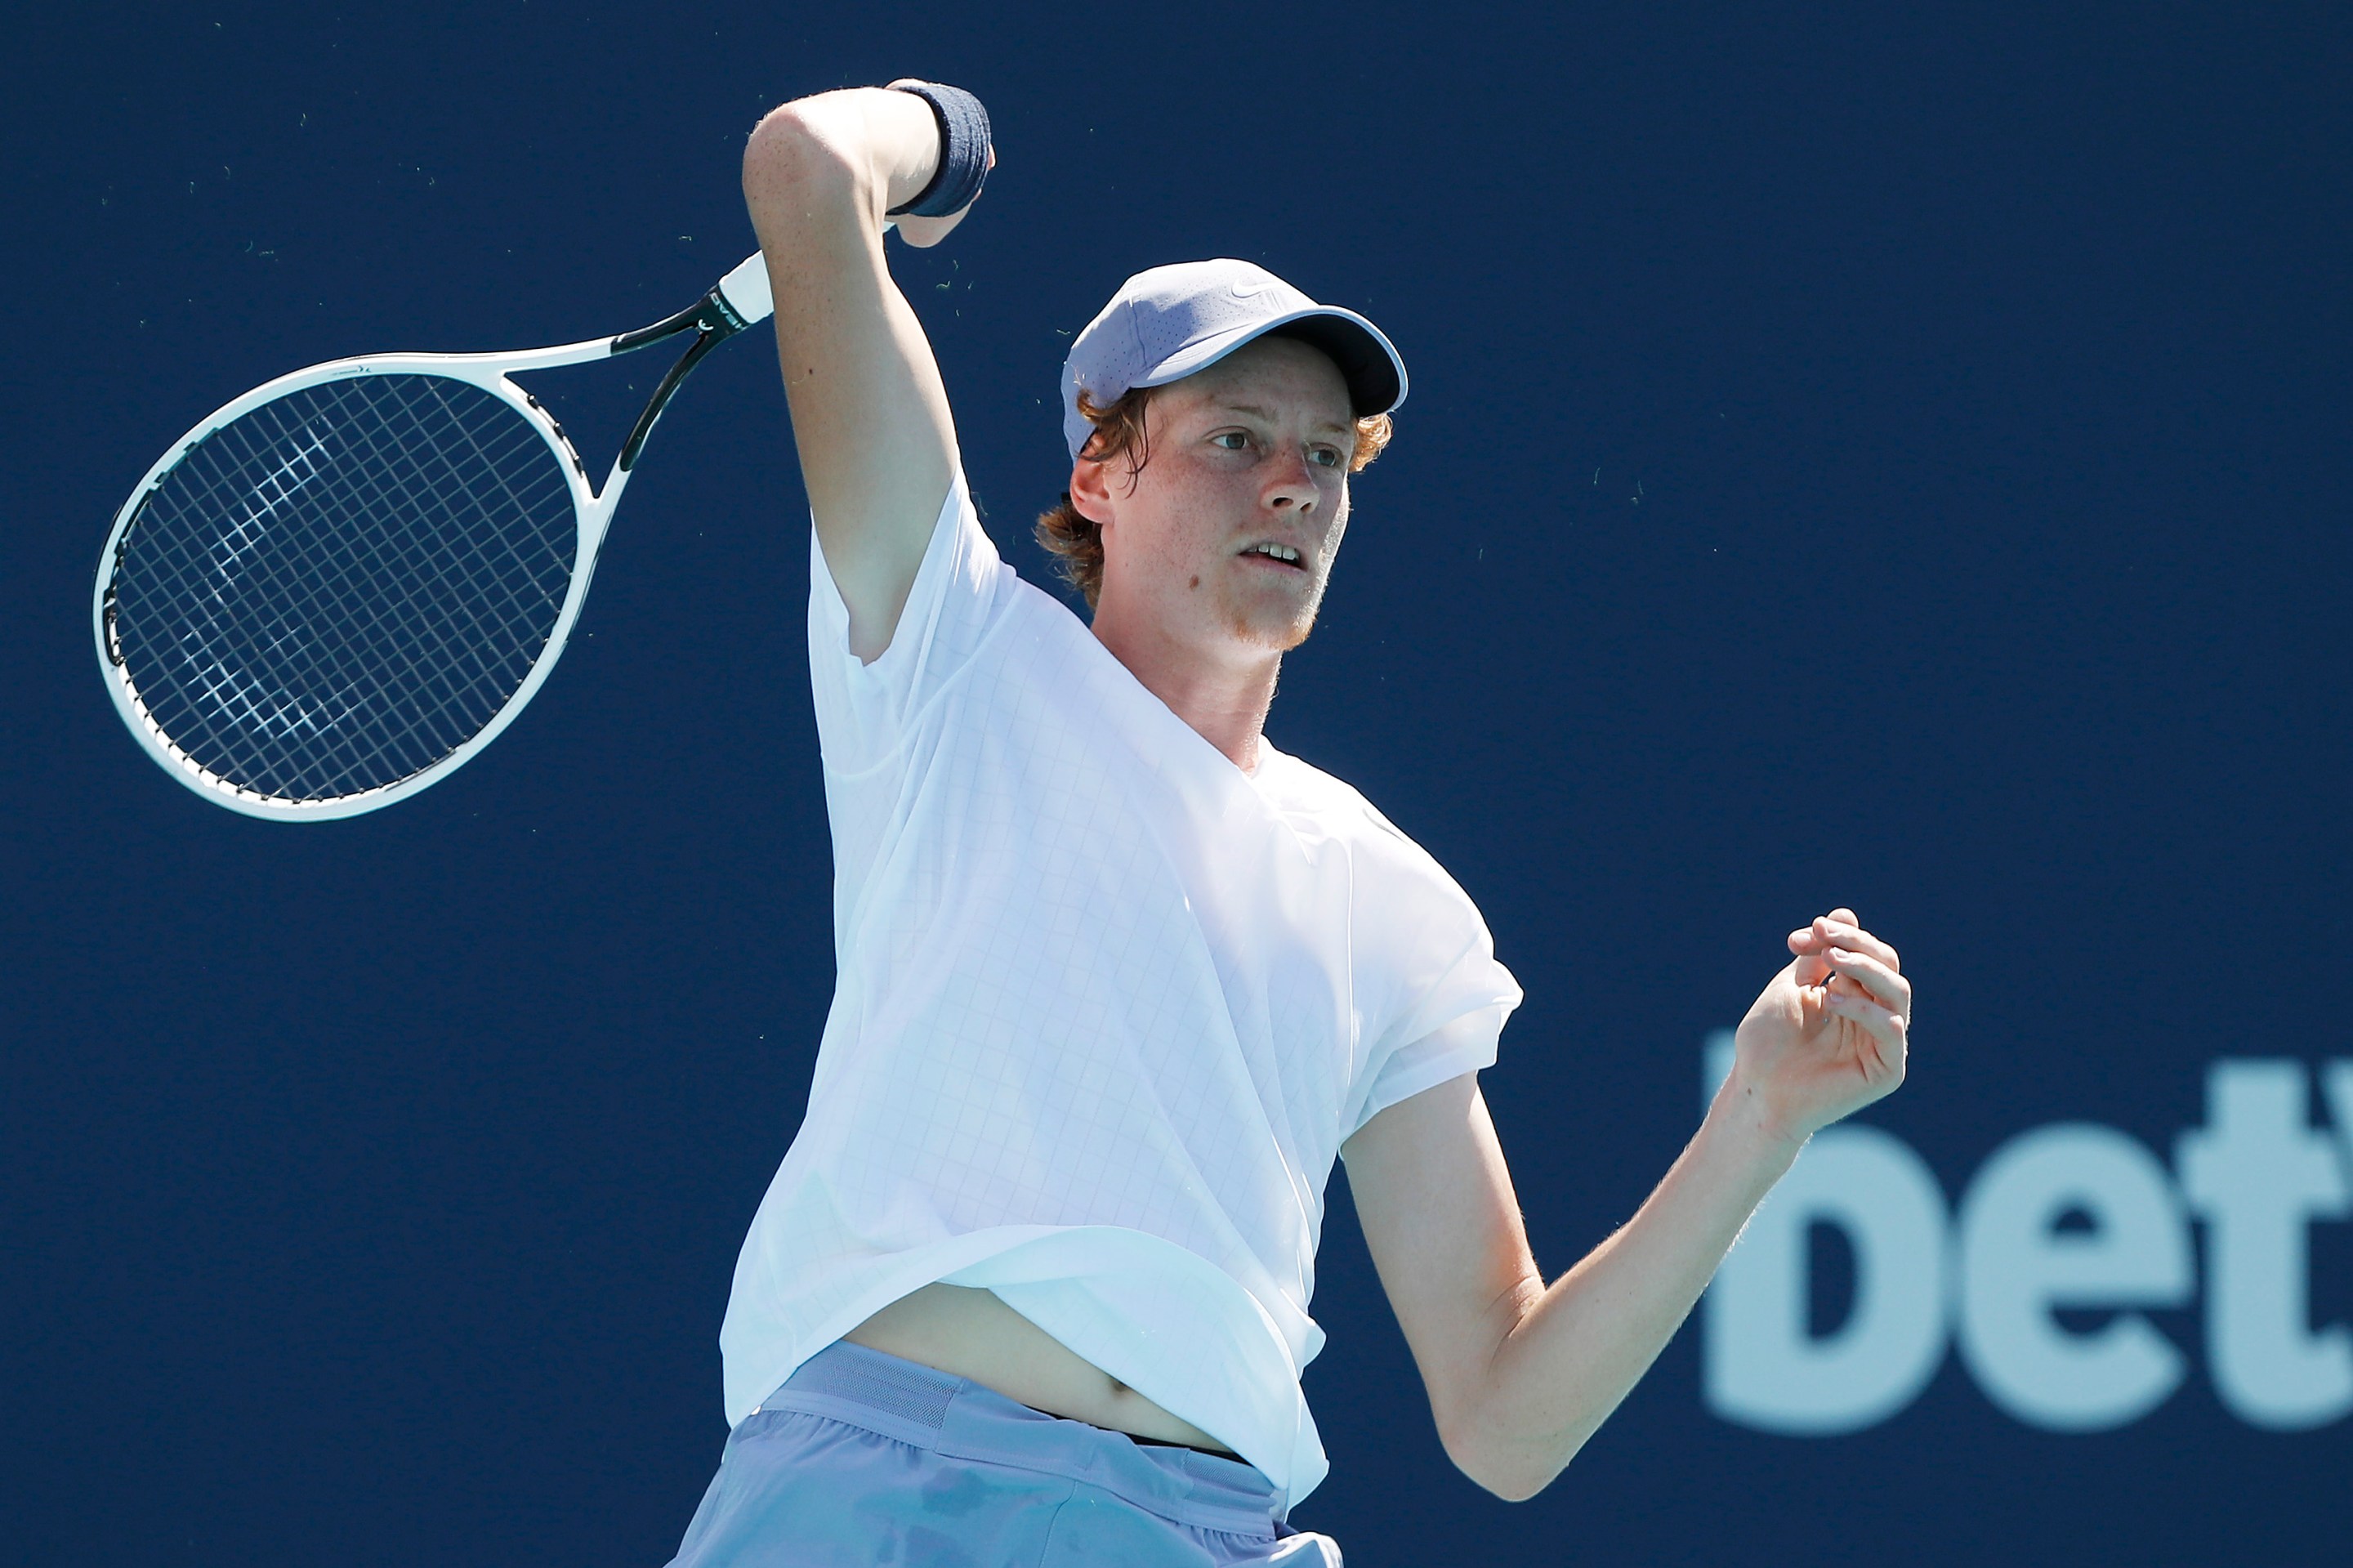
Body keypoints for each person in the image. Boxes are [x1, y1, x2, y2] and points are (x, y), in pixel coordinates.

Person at [664, 80, 1914, 1567]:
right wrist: (947, 134)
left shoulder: (1392, 901)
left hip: (1202, 1534)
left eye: (1326, 457)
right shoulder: (951, 657)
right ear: (1098, 471)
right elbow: (807, 165)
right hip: (874, 1499)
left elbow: (1506, 1419)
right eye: (1233, 437)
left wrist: (1761, 1120)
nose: (1291, 486)